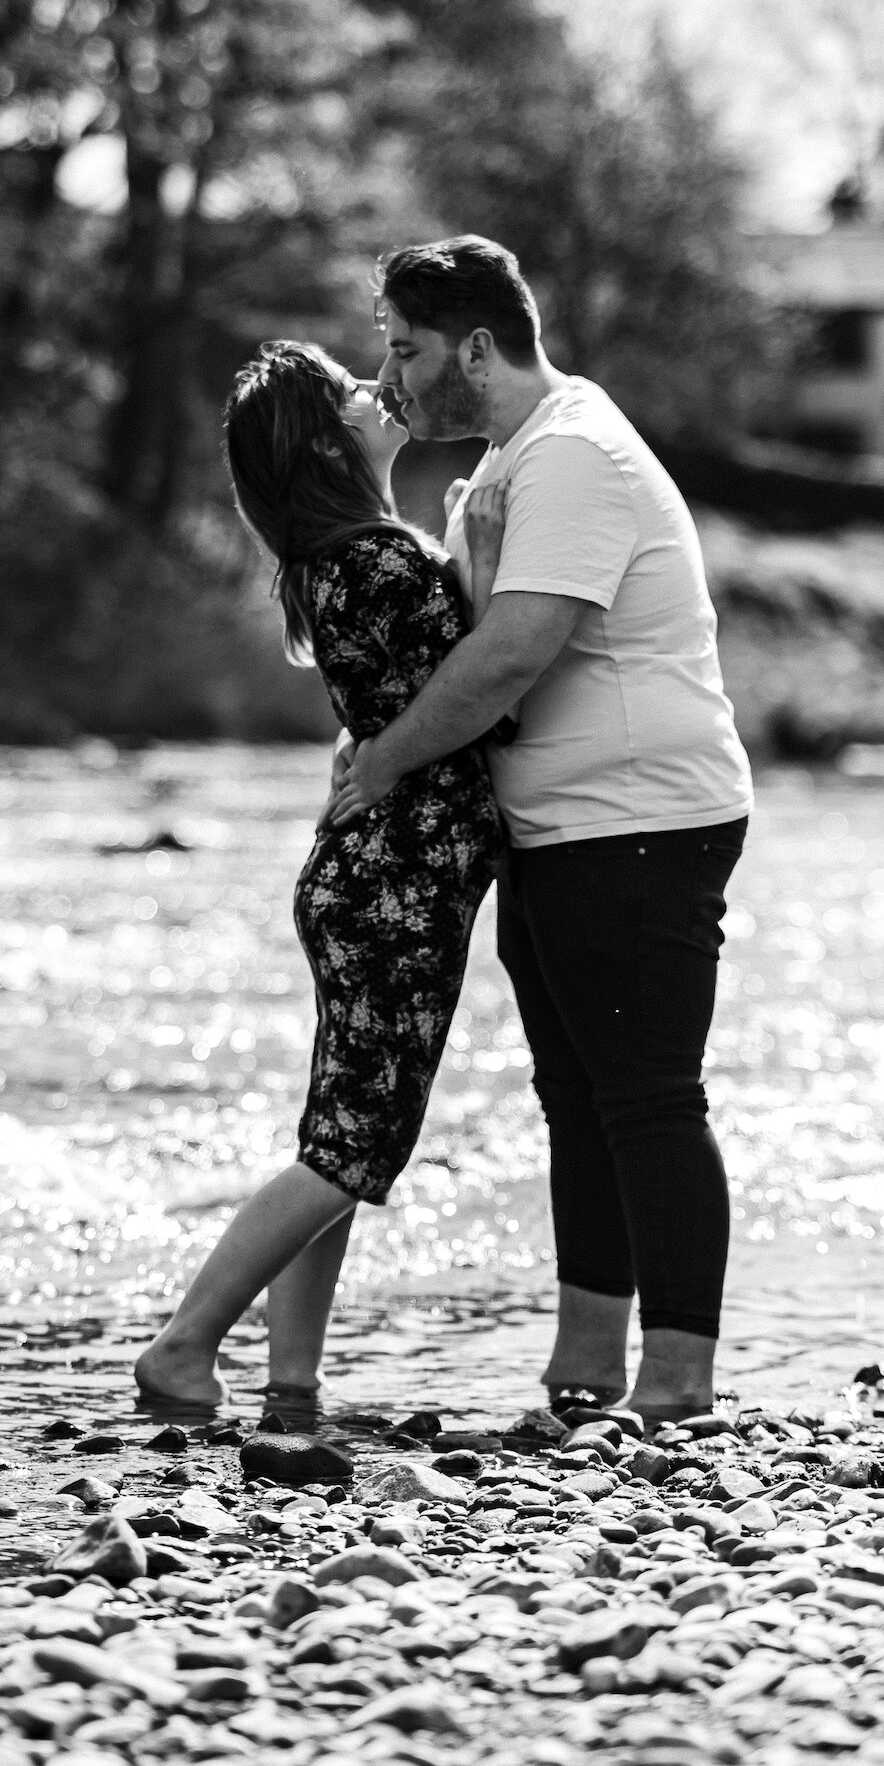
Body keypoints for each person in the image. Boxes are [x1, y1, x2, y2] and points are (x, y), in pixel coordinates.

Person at [327, 235, 752, 1427]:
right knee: (575, 1094)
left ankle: (676, 1379)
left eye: (404, 351)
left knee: (649, 1097)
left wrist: (381, 767)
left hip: (639, 819)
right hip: (564, 825)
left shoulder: (571, 455)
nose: (391, 376)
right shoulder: (524, 456)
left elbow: (515, 650)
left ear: (475, 346)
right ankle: (584, 1369)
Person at [133, 340, 504, 1426]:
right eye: (352, 389)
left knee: (334, 1143)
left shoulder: (336, 560)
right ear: (329, 440)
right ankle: (184, 1344)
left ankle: (289, 1381)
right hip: (395, 884)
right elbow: (491, 688)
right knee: (357, 1147)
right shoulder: (382, 562)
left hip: (363, 879)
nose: (372, 390)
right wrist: (473, 550)